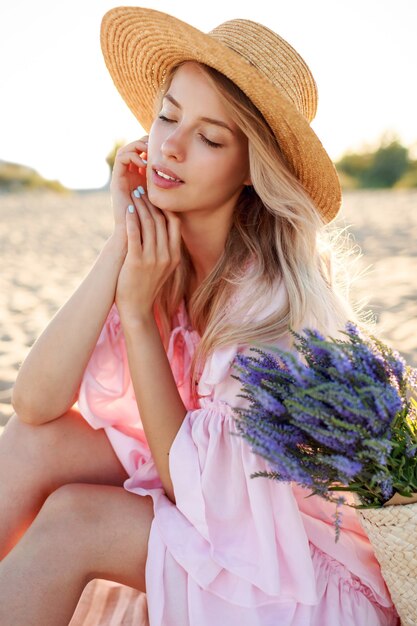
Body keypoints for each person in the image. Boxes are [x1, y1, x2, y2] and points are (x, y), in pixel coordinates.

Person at [0, 6, 400, 626]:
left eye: (211, 138)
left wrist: (136, 317)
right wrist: (120, 240)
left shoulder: (272, 302)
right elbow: (33, 405)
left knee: (76, 519)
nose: (172, 145)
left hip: (291, 576)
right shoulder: (164, 255)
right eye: (167, 114)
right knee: (35, 445)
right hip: (223, 515)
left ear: (251, 170)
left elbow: (198, 492)